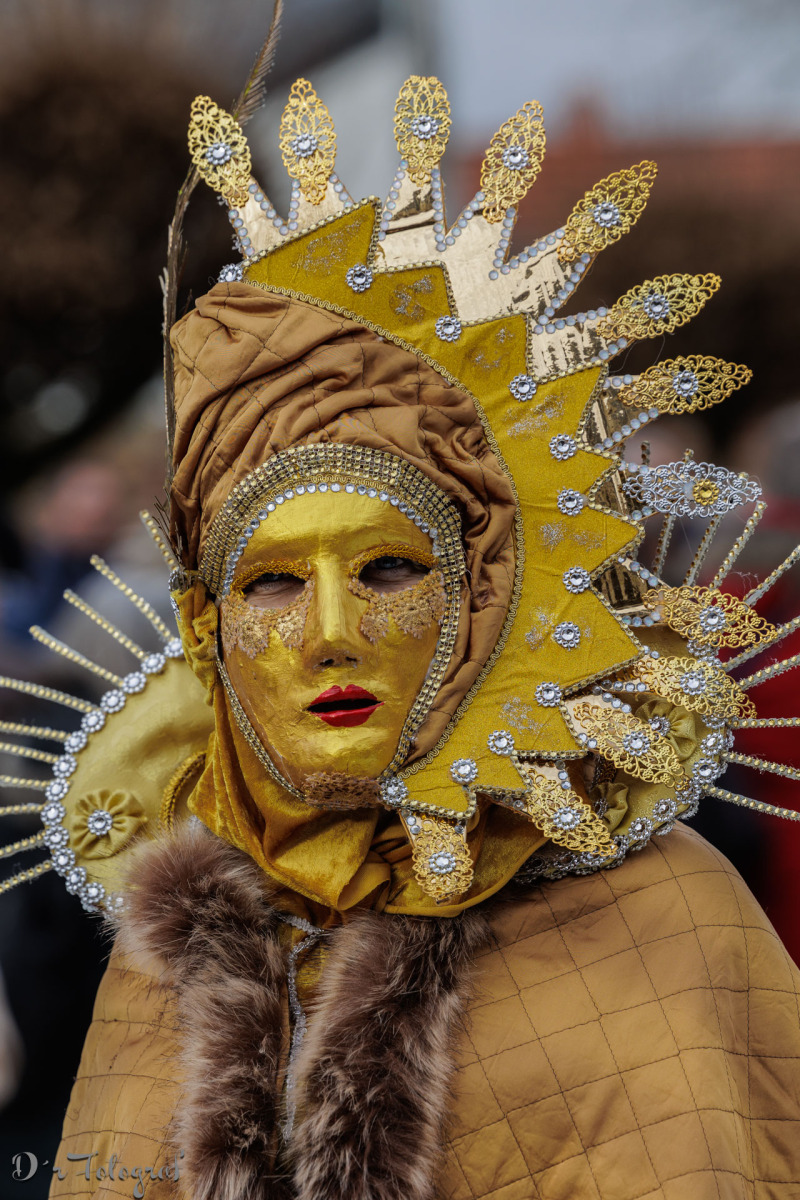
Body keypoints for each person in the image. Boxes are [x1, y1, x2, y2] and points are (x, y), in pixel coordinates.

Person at [2, 69, 799, 1200]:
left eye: (387, 569)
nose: (330, 634)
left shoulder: (659, 925)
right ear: (205, 622)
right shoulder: (160, 956)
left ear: (484, 600)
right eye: (273, 584)